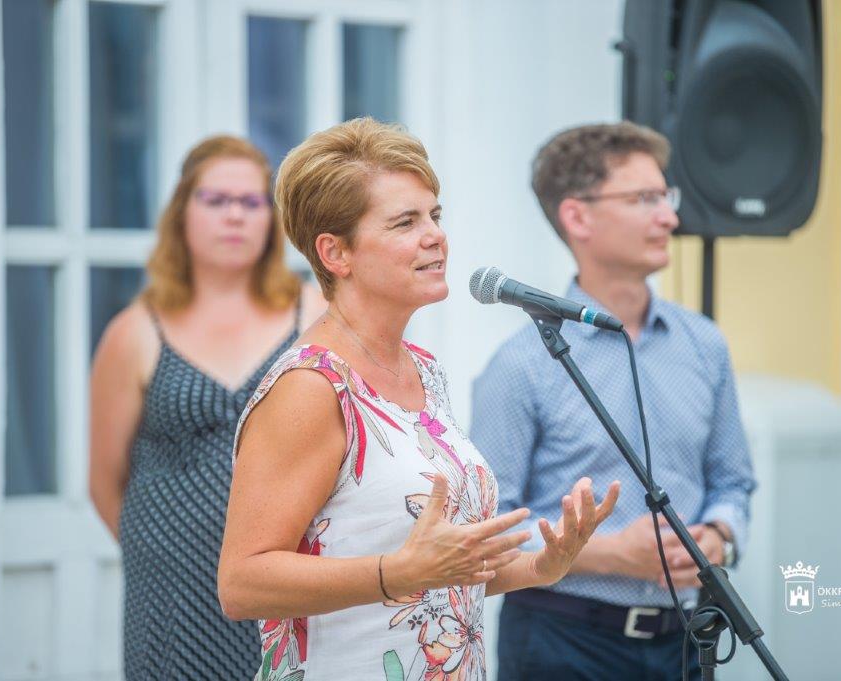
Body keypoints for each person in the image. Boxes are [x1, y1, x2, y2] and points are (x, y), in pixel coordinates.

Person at [216, 117, 622, 681]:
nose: (435, 236)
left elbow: (440, 573)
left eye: (435, 215)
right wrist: (395, 573)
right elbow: (242, 583)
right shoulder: (311, 387)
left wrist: (541, 567)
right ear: (335, 253)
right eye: (406, 222)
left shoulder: (424, 371)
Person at [471, 121, 757, 681]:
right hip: (561, 641)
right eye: (644, 198)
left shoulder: (704, 344)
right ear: (578, 217)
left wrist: (719, 538)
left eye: (667, 197)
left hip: (687, 639)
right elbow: (488, 529)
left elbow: (733, 482)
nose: (669, 217)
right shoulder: (521, 364)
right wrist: (607, 552)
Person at [89, 135, 327, 679]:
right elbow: (105, 480)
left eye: (251, 202)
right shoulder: (134, 332)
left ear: (271, 219)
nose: (235, 216)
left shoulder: (314, 314)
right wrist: (165, 550)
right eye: (216, 200)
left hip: (286, 577)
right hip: (171, 594)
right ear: (182, 213)